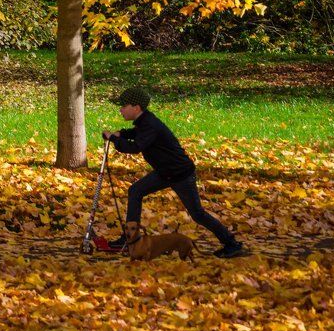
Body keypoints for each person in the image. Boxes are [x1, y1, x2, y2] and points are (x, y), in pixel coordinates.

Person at [102, 86, 247, 258]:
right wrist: (122, 134)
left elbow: (135, 147)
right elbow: (137, 133)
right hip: (165, 173)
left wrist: (114, 139)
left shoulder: (150, 124)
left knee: (197, 214)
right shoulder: (144, 121)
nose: (120, 109)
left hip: (180, 175)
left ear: (136, 107)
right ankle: (130, 238)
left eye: (124, 106)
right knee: (135, 191)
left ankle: (232, 244)